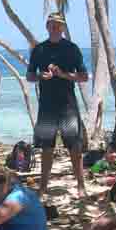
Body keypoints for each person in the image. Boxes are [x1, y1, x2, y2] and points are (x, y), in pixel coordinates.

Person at [26, 12, 90, 197]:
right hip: (47, 106)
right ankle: (43, 187)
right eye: (52, 24)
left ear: (63, 27)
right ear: (47, 26)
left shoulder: (72, 49)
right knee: (47, 147)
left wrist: (63, 75)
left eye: (58, 25)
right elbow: (30, 76)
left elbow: (84, 76)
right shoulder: (39, 50)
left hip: (68, 105)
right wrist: (40, 76)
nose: (55, 27)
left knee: (74, 146)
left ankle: (80, 186)